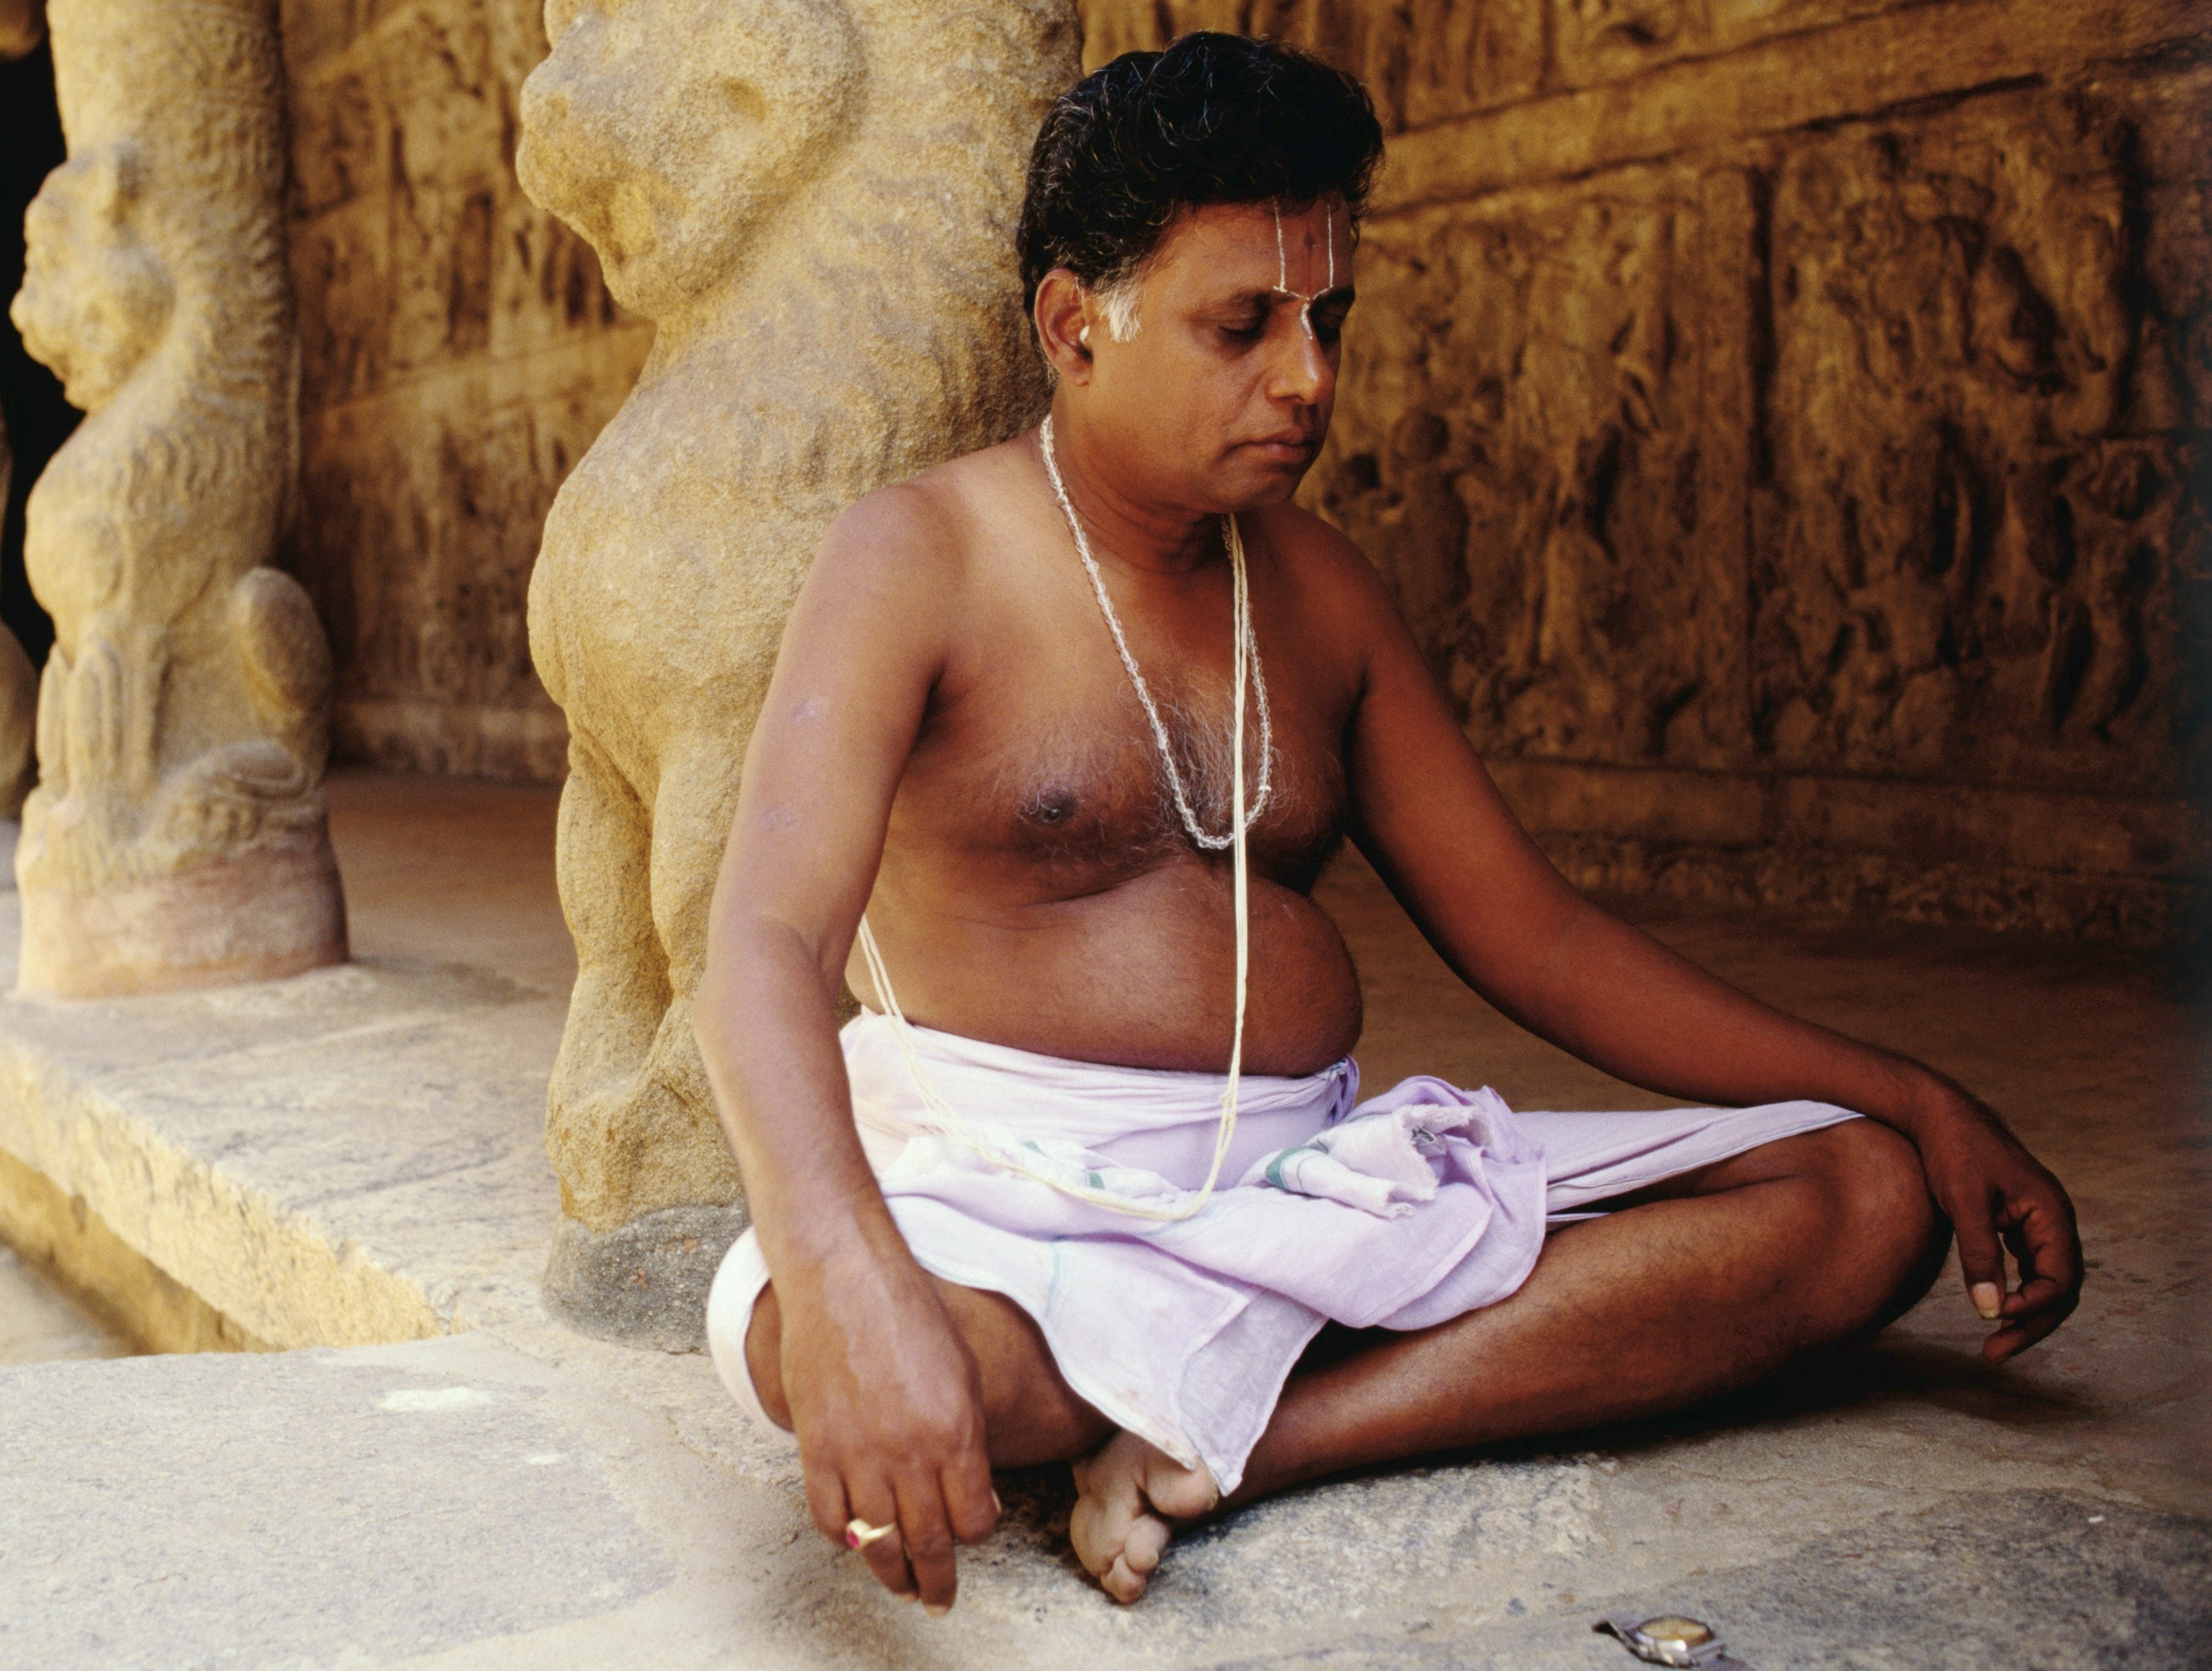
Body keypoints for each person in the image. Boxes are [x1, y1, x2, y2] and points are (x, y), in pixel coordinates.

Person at [688, 32, 2081, 1612]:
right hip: (1019, 1207)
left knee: (1864, 1196)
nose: (1310, 377)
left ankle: (1240, 1442)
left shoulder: (1323, 588)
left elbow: (1539, 939)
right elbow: (765, 943)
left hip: (1318, 1202)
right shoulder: (919, 551)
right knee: (840, 1339)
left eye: (1325, 318)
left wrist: (1912, 1089)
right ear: (1076, 327)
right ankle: (1165, 1380)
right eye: (1244, 325)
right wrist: (851, 1274)